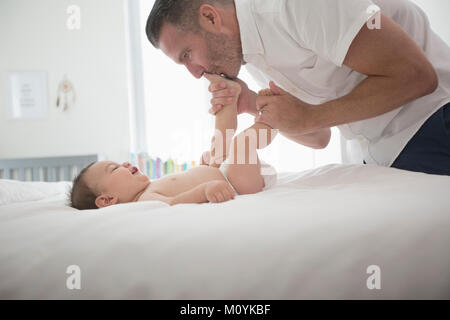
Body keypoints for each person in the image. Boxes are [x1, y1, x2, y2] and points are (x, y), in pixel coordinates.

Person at [146, 0, 450, 175]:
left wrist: (308, 117)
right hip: (382, 152)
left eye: (187, 55)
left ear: (210, 17)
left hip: (433, 122)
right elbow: (318, 137)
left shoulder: (292, 5)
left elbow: (416, 76)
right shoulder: (249, 52)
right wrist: (250, 102)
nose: (195, 74)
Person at [70, 75, 277, 210]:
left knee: (218, 142)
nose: (124, 164)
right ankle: (275, 116)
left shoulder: (149, 187)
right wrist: (204, 190)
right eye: (114, 168)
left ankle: (229, 96)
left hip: (224, 173)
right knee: (242, 143)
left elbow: (184, 183)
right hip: (238, 185)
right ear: (107, 200)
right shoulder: (144, 202)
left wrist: (204, 168)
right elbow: (175, 202)